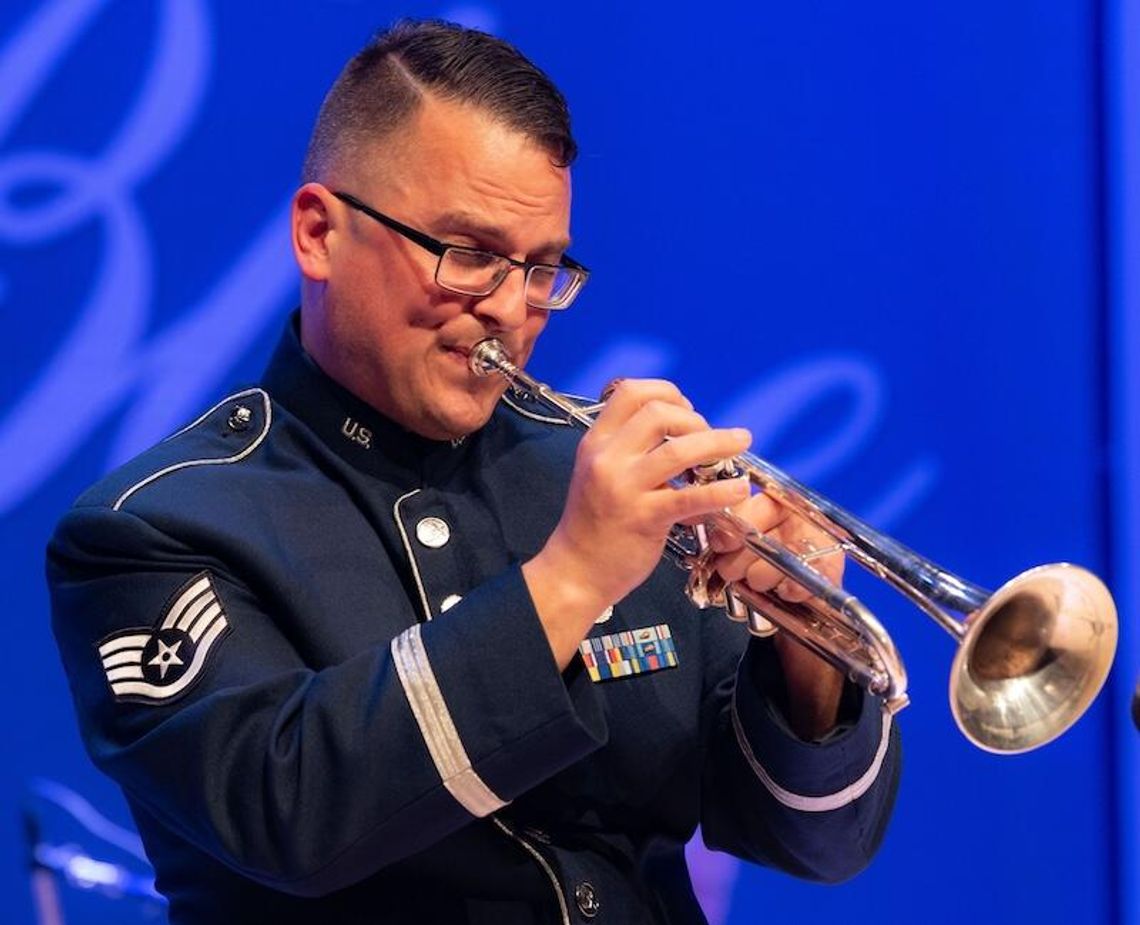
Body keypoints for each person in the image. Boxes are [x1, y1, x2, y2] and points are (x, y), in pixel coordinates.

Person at [47, 20, 901, 924]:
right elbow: (290, 815)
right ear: (318, 234)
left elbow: (819, 843)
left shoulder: (595, 471)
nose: (507, 310)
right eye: (469, 254)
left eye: (540, 269)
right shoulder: (154, 527)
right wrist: (572, 576)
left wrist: (808, 643)